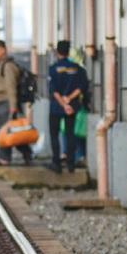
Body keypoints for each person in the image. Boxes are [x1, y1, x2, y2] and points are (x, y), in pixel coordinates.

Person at [0, 39, 32, 165]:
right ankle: (27, 153)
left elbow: (11, 87)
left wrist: (13, 108)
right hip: (2, 104)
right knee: (12, 131)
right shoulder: (2, 65)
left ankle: (5, 158)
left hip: (6, 104)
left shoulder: (8, 66)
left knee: (5, 131)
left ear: (2, 49)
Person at [48, 40, 88, 174]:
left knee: (54, 134)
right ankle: (71, 164)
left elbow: (54, 91)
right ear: (68, 51)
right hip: (72, 106)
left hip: (56, 107)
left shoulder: (53, 69)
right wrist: (69, 100)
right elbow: (81, 87)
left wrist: (63, 103)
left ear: (57, 52)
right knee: (70, 133)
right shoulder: (78, 69)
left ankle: (56, 163)